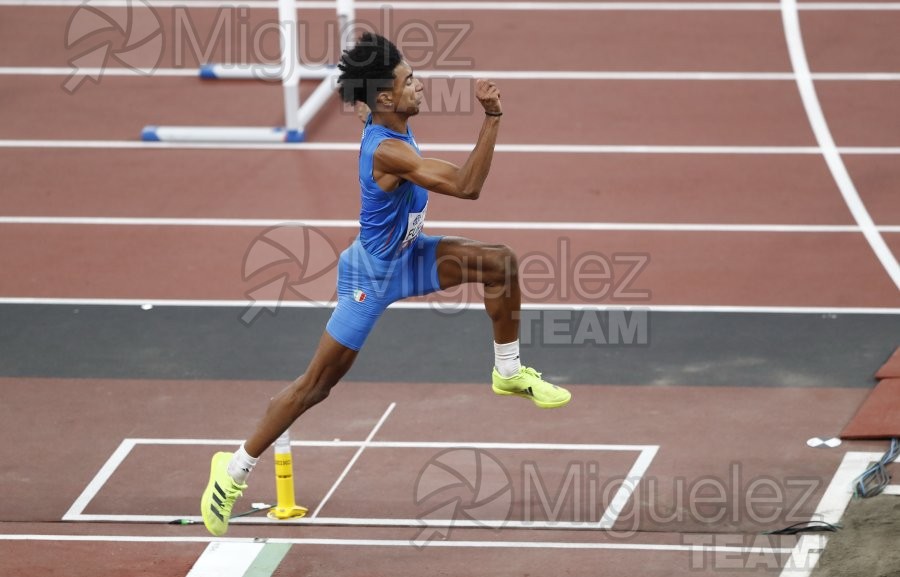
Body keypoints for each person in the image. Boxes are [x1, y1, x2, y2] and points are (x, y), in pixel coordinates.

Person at [200, 32, 571, 537]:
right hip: (371, 277)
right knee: (317, 386)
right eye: (408, 81)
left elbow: (359, 101)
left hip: (410, 256)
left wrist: (358, 87)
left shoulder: (380, 114)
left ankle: (508, 371)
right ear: (385, 100)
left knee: (500, 264)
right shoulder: (389, 151)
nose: (419, 86)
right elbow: (468, 186)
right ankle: (233, 469)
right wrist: (492, 117)